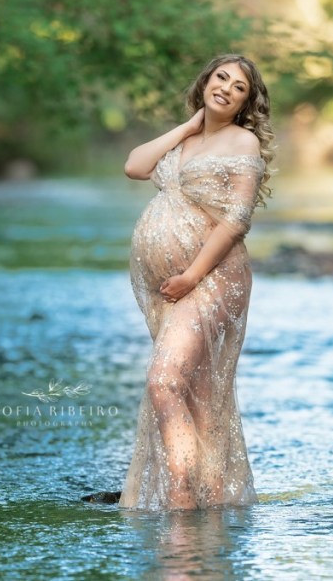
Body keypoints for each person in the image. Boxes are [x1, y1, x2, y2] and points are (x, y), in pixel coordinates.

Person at [118, 54, 276, 510]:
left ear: (248, 101)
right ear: (206, 82)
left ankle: (183, 497)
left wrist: (191, 274)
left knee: (164, 382)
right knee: (192, 390)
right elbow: (135, 166)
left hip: (213, 278)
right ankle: (209, 497)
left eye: (239, 86)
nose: (226, 87)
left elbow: (236, 222)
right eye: (220, 77)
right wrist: (189, 127)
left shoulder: (242, 142)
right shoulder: (184, 140)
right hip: (169, 286)